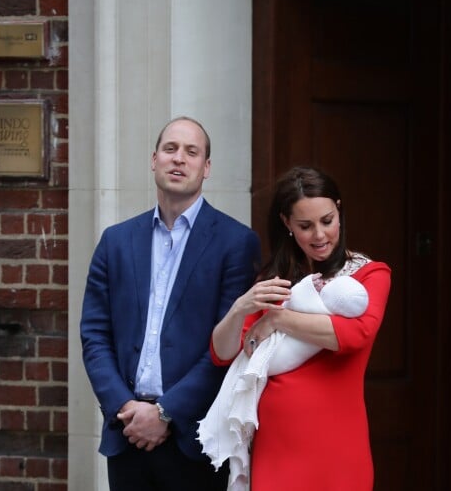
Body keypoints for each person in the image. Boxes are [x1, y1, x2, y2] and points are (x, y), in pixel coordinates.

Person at [80, 116, 261, 491]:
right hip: (127, 433)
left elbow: (229, 346)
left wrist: (166, 412)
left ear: (206, 167)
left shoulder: (236, 243)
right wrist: (125, 408)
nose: (179, 159)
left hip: (193, 440)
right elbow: (95, 335)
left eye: (191, 152)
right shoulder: (115, 241)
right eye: (170, 149)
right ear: (154, 159)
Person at [210, 166, 391, 491]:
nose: (320, 235)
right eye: (305, 226)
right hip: (276, 451)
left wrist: (278, 320)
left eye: (327, 221)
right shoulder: (274, 281)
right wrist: (241, 307)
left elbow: (354, 335)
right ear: (287, 224)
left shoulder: (369, 275)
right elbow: (223, 354)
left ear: (339, 211)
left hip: (337, 449)